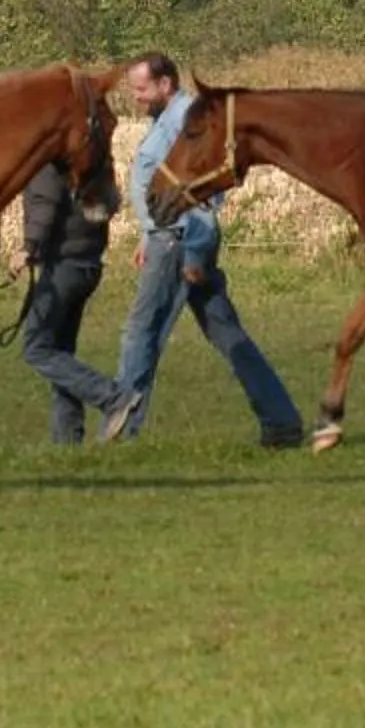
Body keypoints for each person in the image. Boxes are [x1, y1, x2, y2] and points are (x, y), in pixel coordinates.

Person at [106, 51, 304, 447]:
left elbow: (206, 196)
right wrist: (147, 235)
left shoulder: (185, 120)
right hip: (169, 239)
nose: (137, 98)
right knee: (226, 332)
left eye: (142, 89)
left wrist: (193, 252)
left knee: (141, 333)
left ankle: (122, 433)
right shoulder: (166, 119)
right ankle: (282, 422)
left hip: (179, 242)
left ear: (166, 84)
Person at [13, 158, 139, 445]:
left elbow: (45, 203)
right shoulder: (87, 157)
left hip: (63, 266)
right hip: (87, 262)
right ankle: (67, 439)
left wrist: (28, 248)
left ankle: (114, 398)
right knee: (61, 351)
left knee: (36, 348)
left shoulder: (48, 160)